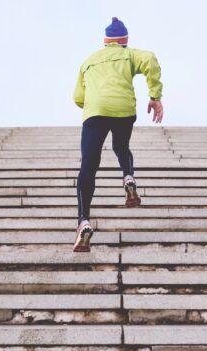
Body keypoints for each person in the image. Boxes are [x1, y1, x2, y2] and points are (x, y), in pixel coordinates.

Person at [72, 17, 163, 252]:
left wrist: (95, 103)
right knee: (121, 147)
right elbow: (150, 59)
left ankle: (83, 220)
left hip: (95, 112)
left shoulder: (88, 61)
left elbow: (78, 98)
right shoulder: (129, 54)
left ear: (105, 41)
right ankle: (128, 177)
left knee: (89, 165)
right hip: (123, 109)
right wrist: (154, 96)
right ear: (124, 41)